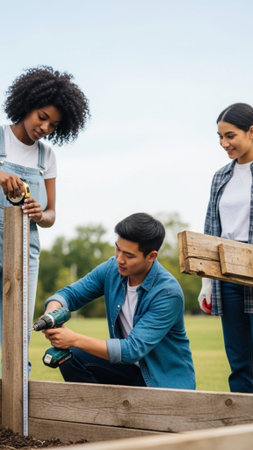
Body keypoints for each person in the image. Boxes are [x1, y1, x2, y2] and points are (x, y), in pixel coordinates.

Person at [43, 212, 196, 389]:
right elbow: (70, 294)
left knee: (75, 347)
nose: (119, 259)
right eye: (117, 248)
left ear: (151, 256)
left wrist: (73, 339)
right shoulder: (112, 268)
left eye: (129, 255)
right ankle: (99, 414)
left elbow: (132, 349)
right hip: (127, 370)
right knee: (70, 357)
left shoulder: (168, 293)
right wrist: (51, 312)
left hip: (163, 382)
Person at [0, 66, 89, 337]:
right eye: (42, 117)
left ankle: (19, 380)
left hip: (26, 251)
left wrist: (41, 214)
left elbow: (51, 215)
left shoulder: (46, 157)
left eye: (53, 125)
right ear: (27, 105)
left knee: (18, 332)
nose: (45, 128)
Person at [198, 103, 253, 393]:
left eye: (230, 136)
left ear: (252, 132)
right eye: (220, 137)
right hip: (228, 275)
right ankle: (242, 430)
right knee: (239, 359)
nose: (224, 143)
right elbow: (211, 228)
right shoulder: (221, 177)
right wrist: (207, 282)